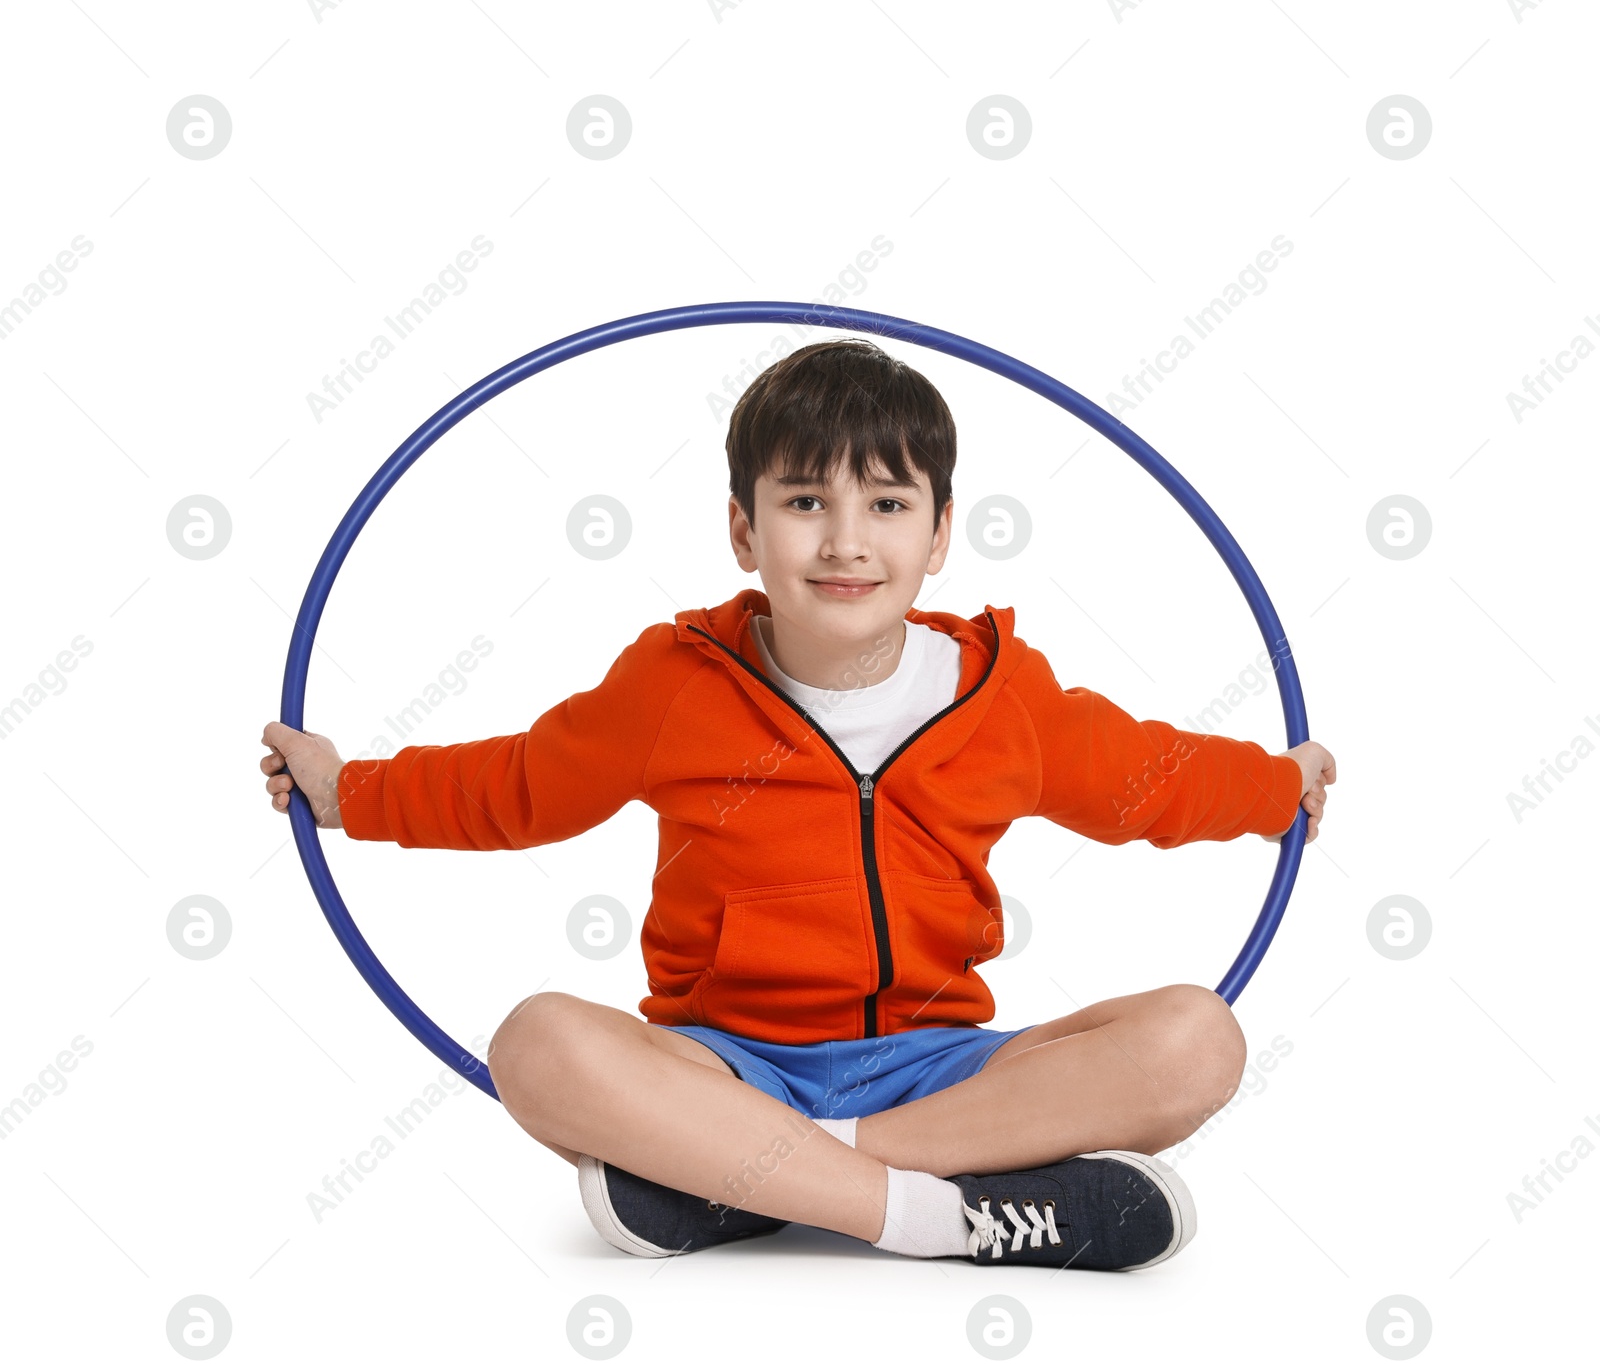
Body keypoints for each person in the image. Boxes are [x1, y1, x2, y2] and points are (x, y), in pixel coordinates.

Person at [259, 338, 1335, 1270]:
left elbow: (1151, 775)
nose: (846, 541)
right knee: (538, 1046)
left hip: (935, 1071)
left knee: (1198, 1039)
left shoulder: (1004, 698)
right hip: (723, 1060)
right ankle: (933, 1217)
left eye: (887, 503)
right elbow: (521, 783)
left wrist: (1280, 784)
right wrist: (350, 791)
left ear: (940, 531)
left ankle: (753, 1182)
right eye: (806, 502)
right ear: (744, 531)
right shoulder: (677, 686)